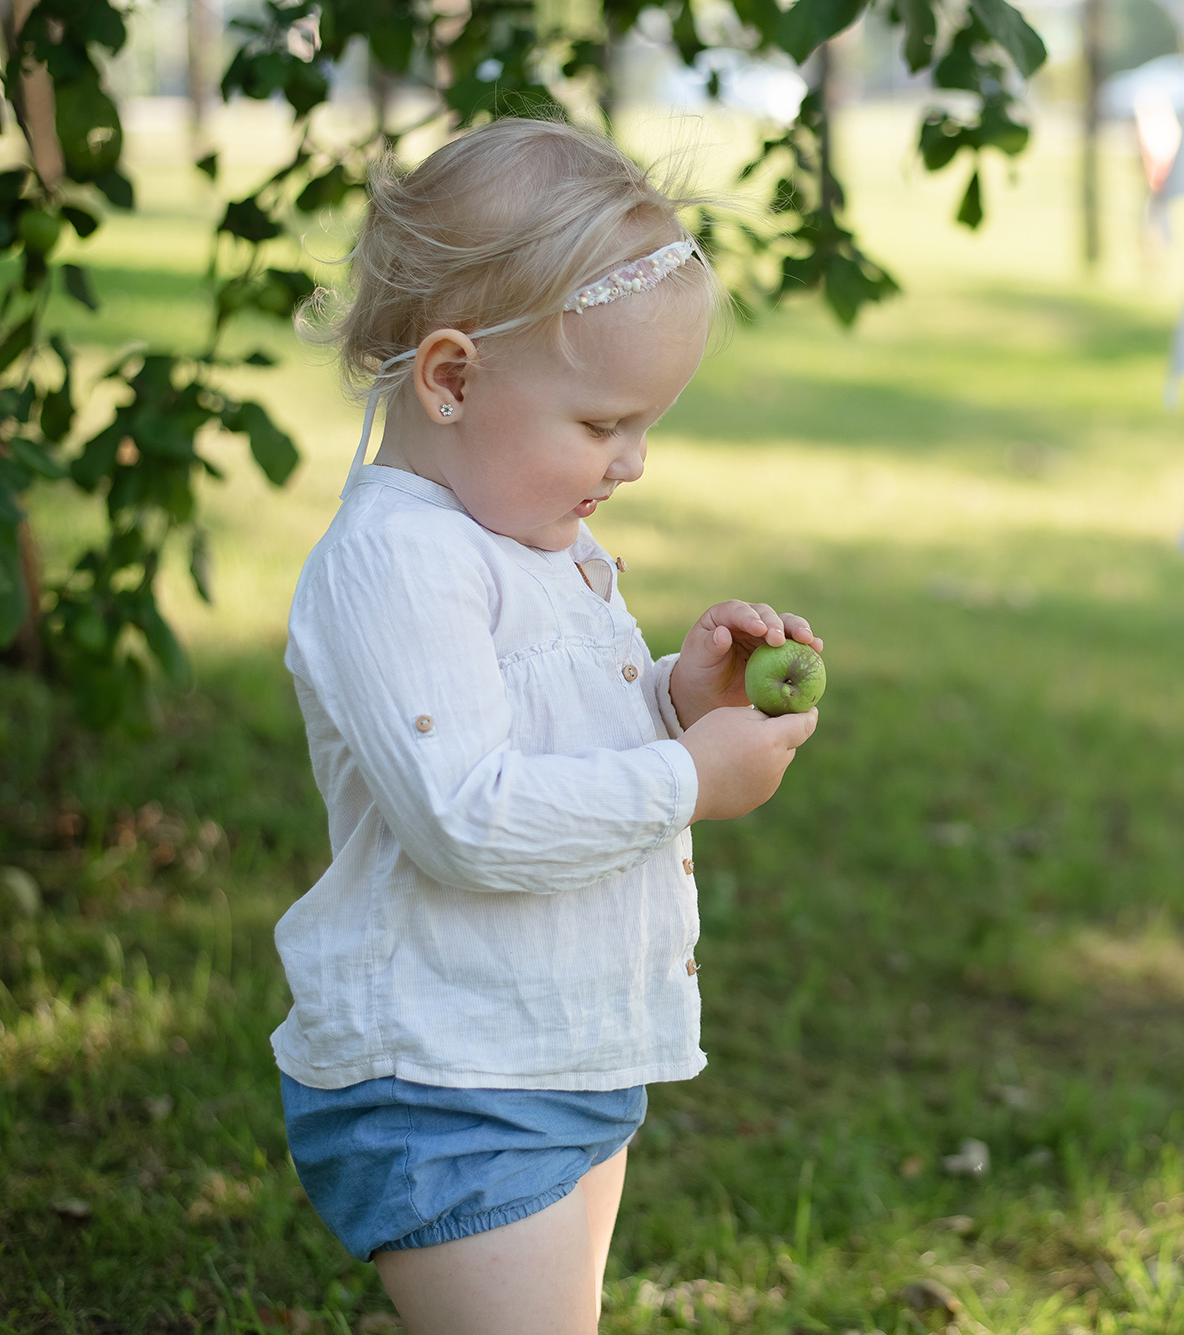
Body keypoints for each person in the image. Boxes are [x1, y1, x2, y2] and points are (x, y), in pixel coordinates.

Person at [270, 117, 821, 1335]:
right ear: (452, 379)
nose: (631, 464)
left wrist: (682, 695)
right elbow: (468, 817)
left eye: (645, 425)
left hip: (556, 1052)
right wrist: (685, 778)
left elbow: (557, 729)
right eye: (601, 423)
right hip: (446, 1077)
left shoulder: (537, 537)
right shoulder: (398, 564)